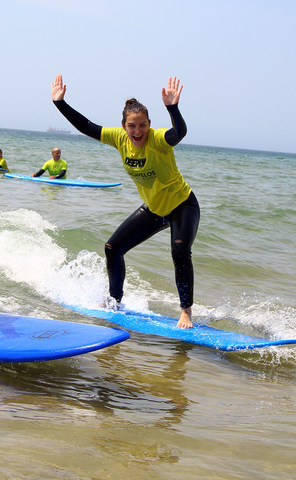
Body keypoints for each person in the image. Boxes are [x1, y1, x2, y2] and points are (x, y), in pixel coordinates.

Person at [50, 74, 199, 328]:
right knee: (113, 248)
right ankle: (114, 302)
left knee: (180, 251)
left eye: (142, 125)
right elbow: (86, 126)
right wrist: (60, 103)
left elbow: (179, 132)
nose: (137, 131)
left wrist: (172, 108)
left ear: (149, 124)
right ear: (123, 126)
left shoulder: (159, 140)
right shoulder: (118, 138)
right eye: (132, 126)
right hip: (154, 208)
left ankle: (186, 312)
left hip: (182, 205)